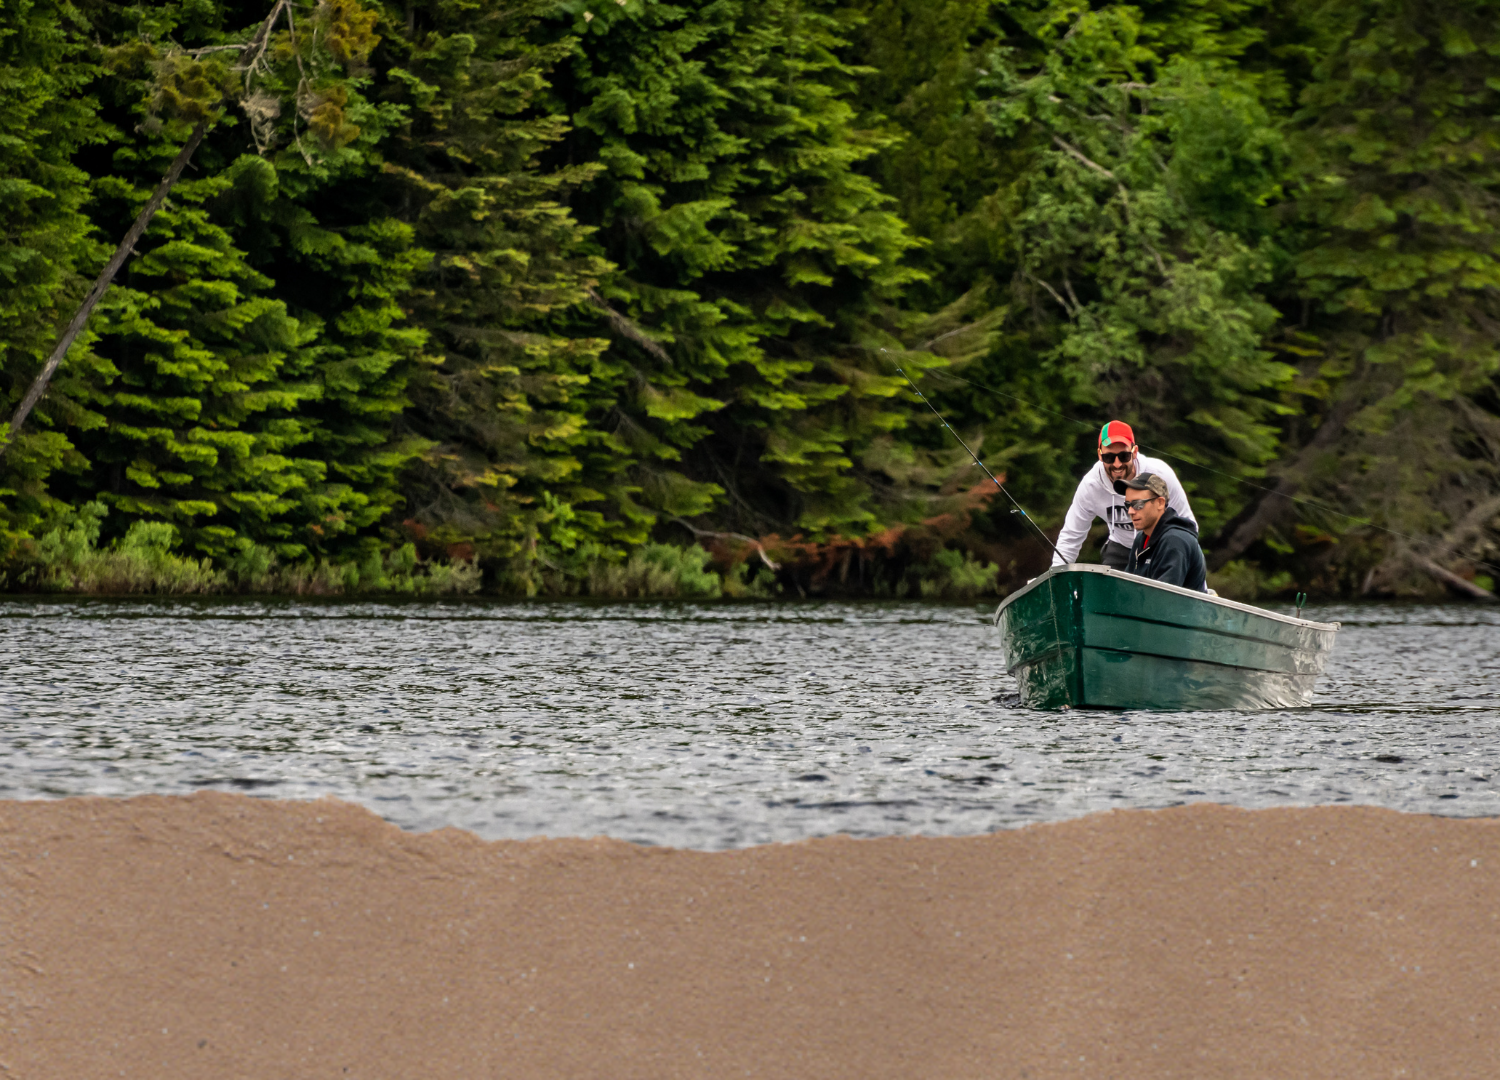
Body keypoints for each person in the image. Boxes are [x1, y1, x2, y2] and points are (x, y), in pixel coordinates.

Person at [1051, 420, 1196, 569]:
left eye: (1124, 456)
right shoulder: (1091, 486)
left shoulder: (1159, 475)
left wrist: (1192, 571)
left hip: (1159, 547)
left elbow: (1187, 525)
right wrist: (1055, 579)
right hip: (1120, 548)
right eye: (1109, 457)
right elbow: (1070, 537)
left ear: (1134, 452)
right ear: (1100, 455)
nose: (1117, 464)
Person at [1121, 473, 1207, 591]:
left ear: (1160, 503)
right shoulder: (1142, 538)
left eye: (1137, 504)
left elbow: (1163, 599)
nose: (1130, 511)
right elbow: (1126, 589)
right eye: (1128, 505)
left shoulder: (1175, 541)